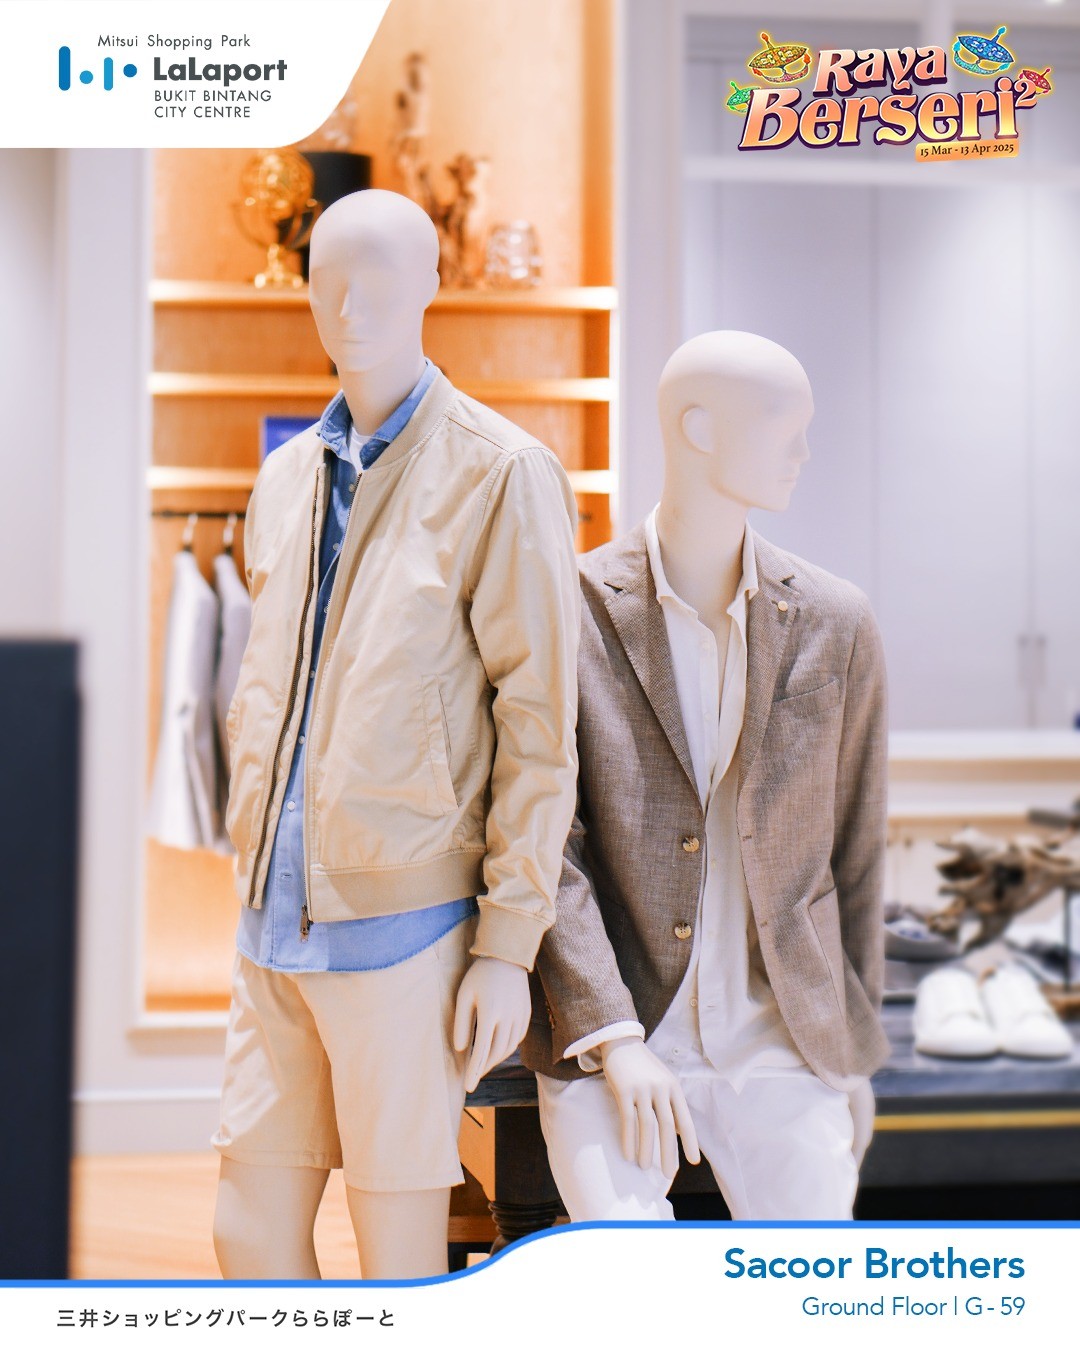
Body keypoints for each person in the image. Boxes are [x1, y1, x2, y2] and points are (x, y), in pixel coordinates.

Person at [212, 189, 579, 1277]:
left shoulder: (501, 471)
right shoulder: (284, 479)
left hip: (405, 934)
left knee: (399, 1256)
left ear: (432, 285)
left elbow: (541, 728)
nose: (350, 306)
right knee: (247, 1237)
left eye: (379, 280)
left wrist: (507, 944)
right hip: (271, 922)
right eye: (328, 280)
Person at [522, 330, 888, 1221]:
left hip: (782, 1038)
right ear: (697, 427)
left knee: (816, 1281)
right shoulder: (568, 608)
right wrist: (611, 1036)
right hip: (621, 1030)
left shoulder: (836, 621)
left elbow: (856, 853)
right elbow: (545, 843)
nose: (804, 452)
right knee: (630, 1270)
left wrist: (850, 1053)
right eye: (782, 425)